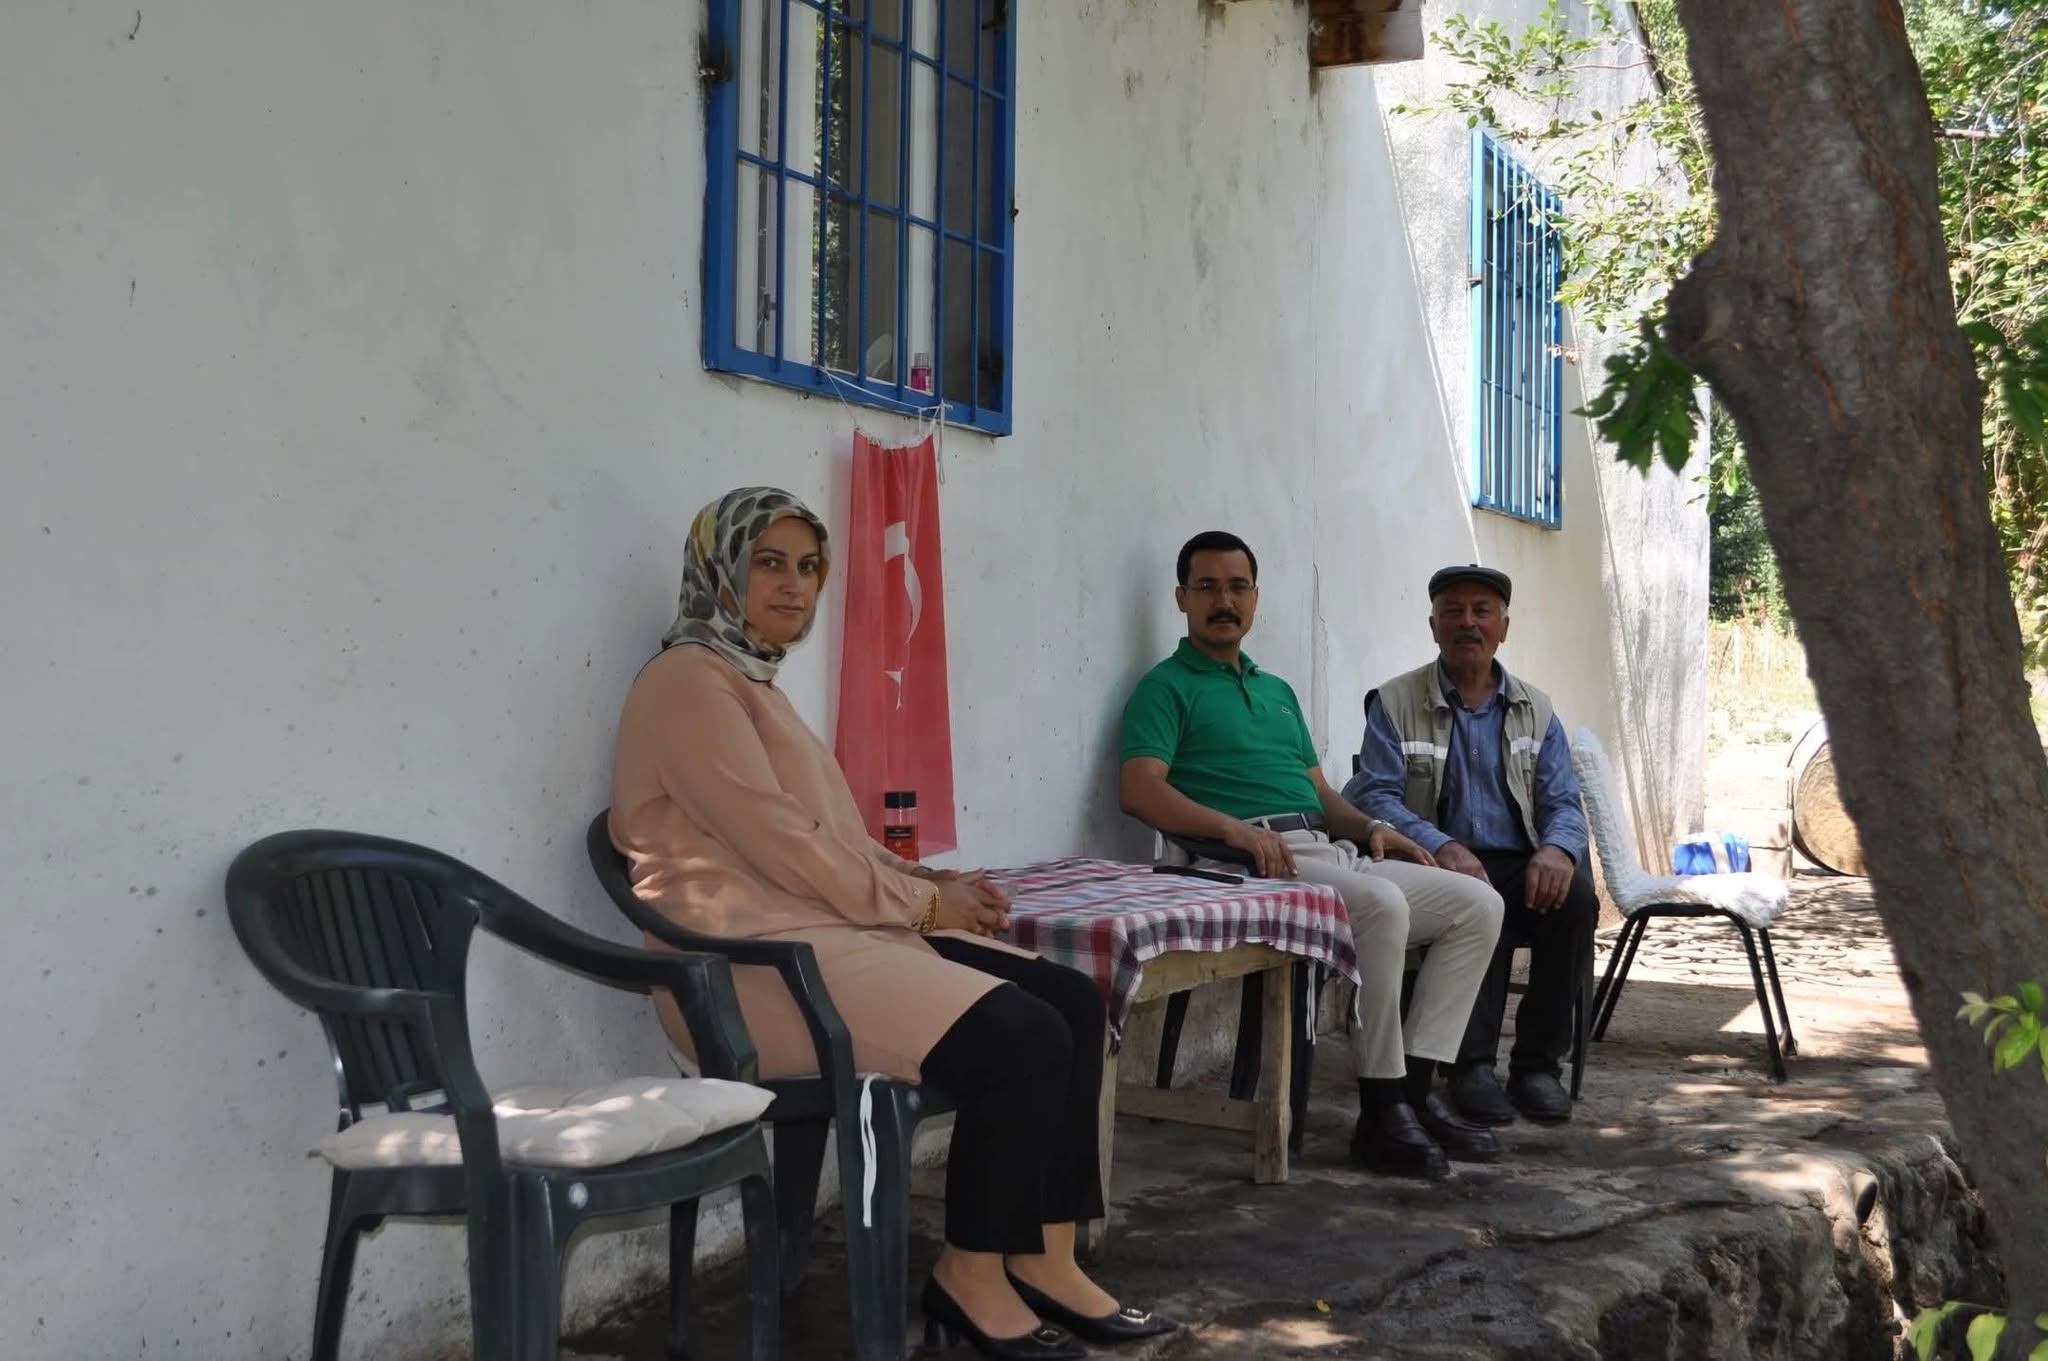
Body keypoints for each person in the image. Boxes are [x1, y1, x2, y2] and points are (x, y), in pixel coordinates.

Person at [610, 487, 1175, 1359]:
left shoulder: (751, 680)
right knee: (1019, 1036)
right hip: (751, 970)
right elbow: (778, 842)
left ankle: (1044, 1255)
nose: (794, 586)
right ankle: (970, 1275)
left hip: (823, 934)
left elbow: (829, 837)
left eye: (808, 567)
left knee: (1070, 997)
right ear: (719, 570)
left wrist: (922, 878)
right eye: (769, 563)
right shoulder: (688, 681)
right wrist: (922, 906)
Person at [1117, 531, 1506, 1182]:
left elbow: (1323, 795)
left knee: (1477, 902)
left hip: (1323, 851)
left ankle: (1414, 1092)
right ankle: (1381, 1109)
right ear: (1181, 597)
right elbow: (1139, 789)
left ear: (1256, 598)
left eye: (1238, 586)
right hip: (1241, 863)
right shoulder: (1165, 687)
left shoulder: (1277, 692)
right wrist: (1234, 830)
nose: (1224, 600)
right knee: (1381, 906)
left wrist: (1379, 827)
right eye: (1208, 586)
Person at [1341, 563, 1596, 1127]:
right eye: (1453, 611)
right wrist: (1442, 844)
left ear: (1504, 626)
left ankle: (1537, 1066)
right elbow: (1375, 796)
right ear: (1432, 625)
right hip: (1437, 858)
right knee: (1473, 897)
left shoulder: (1538, 708)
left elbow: (1563, 802)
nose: (1467, 624)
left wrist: (1558, 849)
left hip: (1522, 856)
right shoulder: (1393, 700)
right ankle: (1470, 1067)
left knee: (1575, 900)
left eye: (1482, 612)